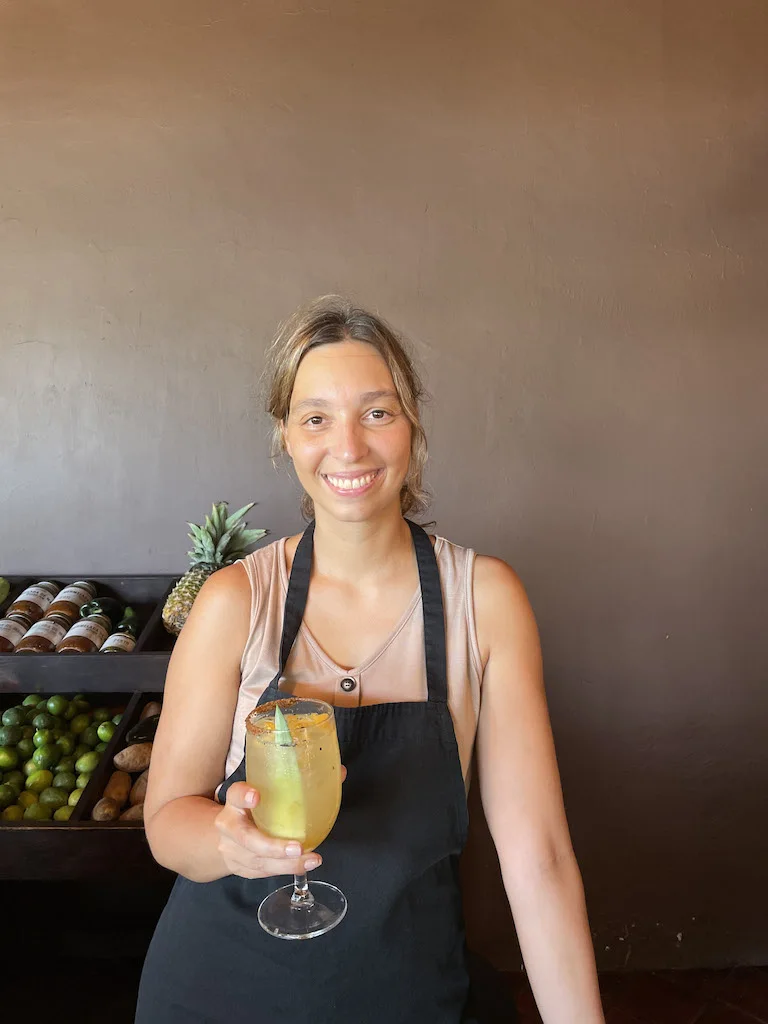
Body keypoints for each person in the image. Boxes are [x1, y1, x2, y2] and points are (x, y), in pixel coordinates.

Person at [135, 296, 605, 1023]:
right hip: (219, 988)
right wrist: (226, 841)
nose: (348, 446)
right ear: (285, 437)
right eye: (316, 417)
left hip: (406, 988)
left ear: (414, 428)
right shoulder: (235, 602)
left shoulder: (484, 599)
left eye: (377, 413)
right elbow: (168, 825)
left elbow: (538, 859)